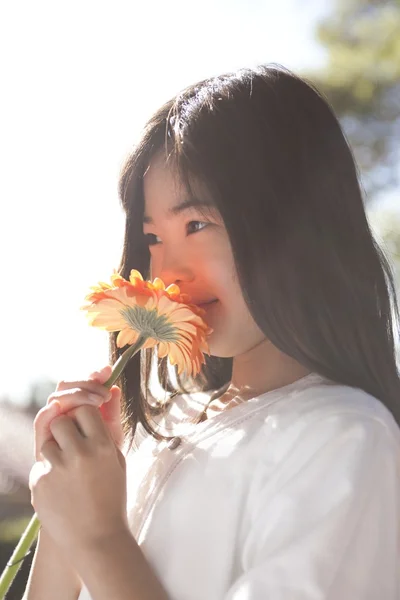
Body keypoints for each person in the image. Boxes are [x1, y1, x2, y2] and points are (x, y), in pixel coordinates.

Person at [24, 64, 400, 600]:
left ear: (296, 227)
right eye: (152, 237)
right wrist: (67, 507)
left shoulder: (345, 439)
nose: (166, 271)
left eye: (195, 225)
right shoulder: (160, 424)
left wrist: (100, 536)